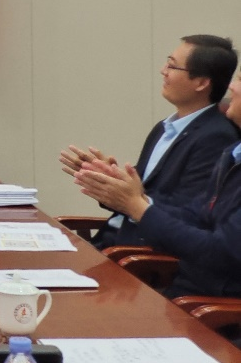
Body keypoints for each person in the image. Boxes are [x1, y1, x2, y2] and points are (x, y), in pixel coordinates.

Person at [75, 68, 241, 300]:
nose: (231, 86)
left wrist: (137, 207)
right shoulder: (232, 154)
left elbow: (219, 252)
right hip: (181, 291)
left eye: (240, 80)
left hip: (208, 305)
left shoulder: (217, 138)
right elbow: (193, 215)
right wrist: (129, 196)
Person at [60, 35, 239, 249]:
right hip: (112, 240)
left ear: (201, 83)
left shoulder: (216, 137)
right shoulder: (163, 127)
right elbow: (139, 193)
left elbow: (189, 216)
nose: (163, 71)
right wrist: (109, 179)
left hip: (137, 253)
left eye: (172, 66)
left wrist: (135, 201)